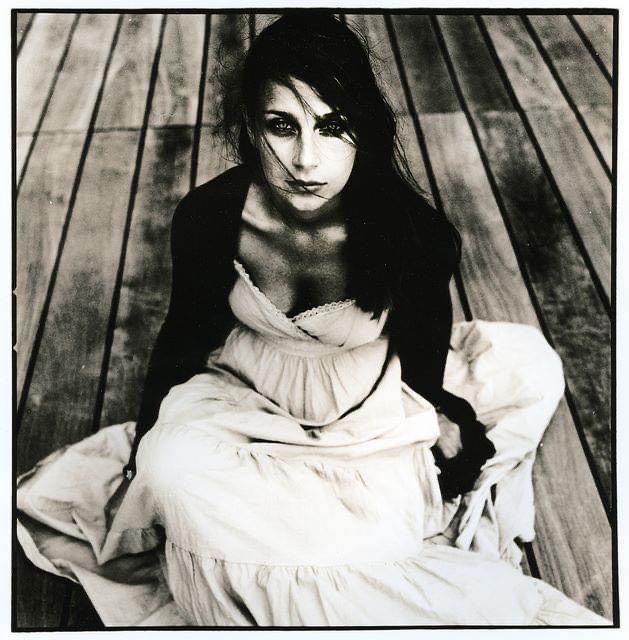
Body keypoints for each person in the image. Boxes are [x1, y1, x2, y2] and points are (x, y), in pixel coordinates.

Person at [17, 13, 608, 626]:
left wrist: (438, 417)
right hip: (246, 393)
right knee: (169, 472)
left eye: (333, 126)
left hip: (359, 412)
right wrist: (142, 451)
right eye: (282, 126)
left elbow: (424, 355)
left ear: (363, 130)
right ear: (250, 127)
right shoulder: (210, 217)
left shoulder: (414, 234)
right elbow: (183, 335)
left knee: (354, 548)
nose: (306, 159)